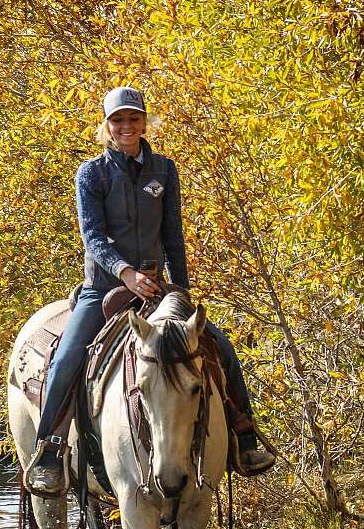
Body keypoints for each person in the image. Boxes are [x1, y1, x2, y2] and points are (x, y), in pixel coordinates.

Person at [28, 86, 275, 496]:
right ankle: (49, 452)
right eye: (118, 120)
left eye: (133, 118)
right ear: (106, 126)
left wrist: (182, 291)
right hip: (104, 287)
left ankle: (244, 438)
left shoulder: (164, 169)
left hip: (158, 289)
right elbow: (93, 237)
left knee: (221, 349)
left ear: (145, 122)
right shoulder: (91, 173)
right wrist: (124, 273)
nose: (126, 126)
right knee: (68, 357)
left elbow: (172, 236)